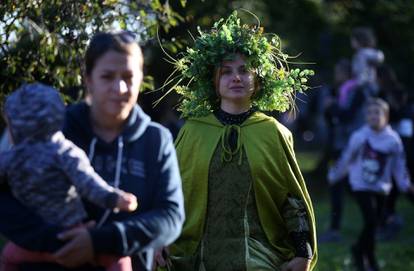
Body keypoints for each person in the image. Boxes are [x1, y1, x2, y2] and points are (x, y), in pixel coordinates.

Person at [0, 31, 184, 271]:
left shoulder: (156, 140)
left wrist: (100, 241)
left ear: (141, 79)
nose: (119, 88)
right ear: (89, 79)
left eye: (128, 77)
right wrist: (56, 240)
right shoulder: (54, 130)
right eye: (107, 76)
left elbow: (170, 217)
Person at [159, 12, 317, 271]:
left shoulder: (272, 132)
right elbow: (171, 190)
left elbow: (291, 198)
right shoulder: (194, 131)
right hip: (197, 256)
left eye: (244, 71)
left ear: (257, 81)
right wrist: (159, 239)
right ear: (214, 81)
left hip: (259, 254)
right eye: (226, 72)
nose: (236, 78)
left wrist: (303, 252)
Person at [0, 83, 139, 271]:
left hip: (32, 243)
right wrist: (114, 198)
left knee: (8, 258)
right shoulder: (64, 151)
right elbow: (88, 183)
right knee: (119, 260)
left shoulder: (9, 158)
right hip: (74, 235)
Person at [328, 98, 414, 271]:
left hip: (381, 187)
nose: (373, 116)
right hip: (360, 185)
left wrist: (405, 185)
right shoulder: (359, 136)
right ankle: (365, 256)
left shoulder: (393, 139)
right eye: (369, 113)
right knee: (371, 220)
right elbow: (346, 158)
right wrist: (334, 176)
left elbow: (399, 165)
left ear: (386, 116)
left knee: (374, 224)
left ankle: (362, 253)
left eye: (377, 113)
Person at [350, 27, 384, 96]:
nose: (351, 42)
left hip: (365, 84)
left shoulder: (363, 53)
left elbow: (361, 70)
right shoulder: (367, 53)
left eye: (353, 40)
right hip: (369, 83)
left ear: (359, 41)